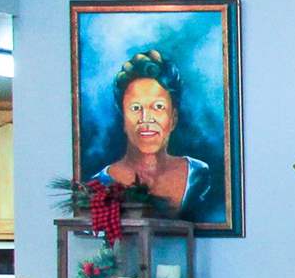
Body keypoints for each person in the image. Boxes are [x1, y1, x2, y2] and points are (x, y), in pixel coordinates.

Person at [93, 47, 217, 222]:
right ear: (123, 119)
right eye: (136, 108)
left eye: (158, 107)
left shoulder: (199, 175)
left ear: (173, 118)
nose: (146, 118)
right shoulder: (99, 185)